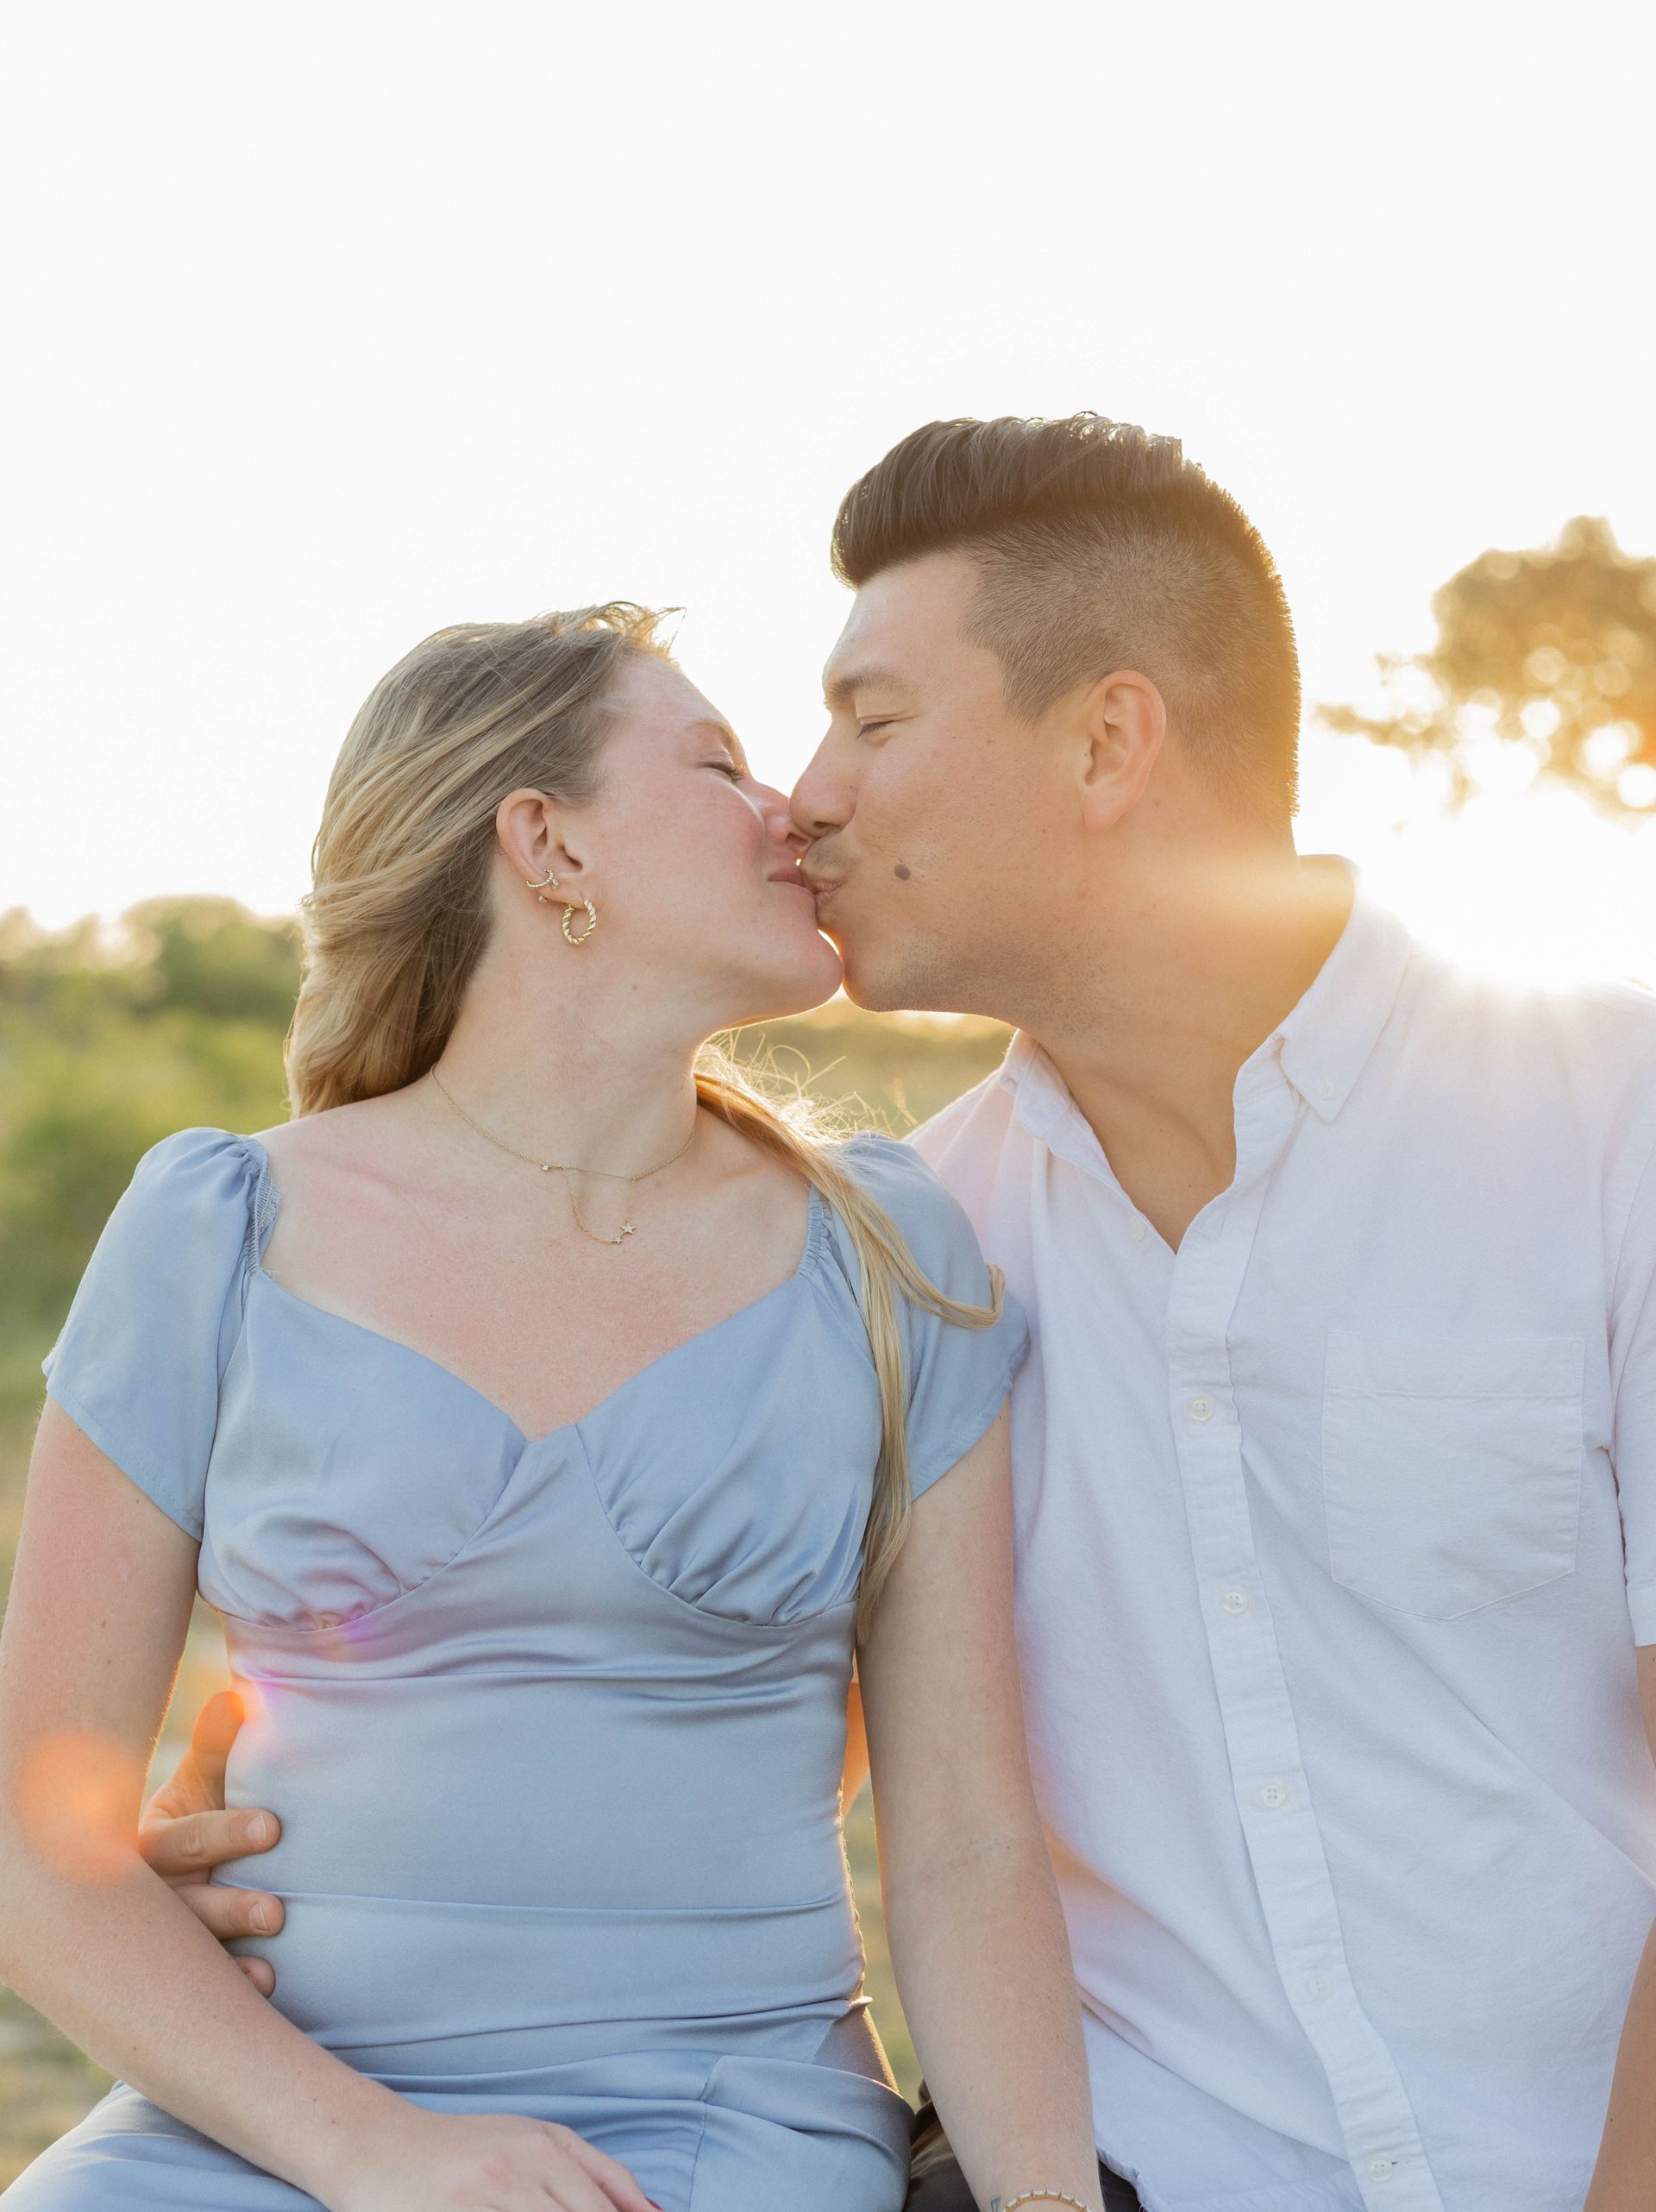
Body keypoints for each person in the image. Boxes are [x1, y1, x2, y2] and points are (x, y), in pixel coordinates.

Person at [70, 413, 1656, 2212]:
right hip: (1144, 2160)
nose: (808, 800)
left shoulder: (1607, 1127)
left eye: (871, 722)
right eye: (769, 747)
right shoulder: (935, 1230)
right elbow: (695, 1691)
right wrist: (299, 1805)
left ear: (1110, 740)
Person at [0, 606, 1107, 2212]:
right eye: (720, 762)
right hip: (271, 2125)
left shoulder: (884, 1251)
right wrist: (373, 2153)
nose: (793, 806)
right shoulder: (220, 1226)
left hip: (733, 2127)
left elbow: (964, 1847)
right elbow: (44, 1840)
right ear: (544, 841)